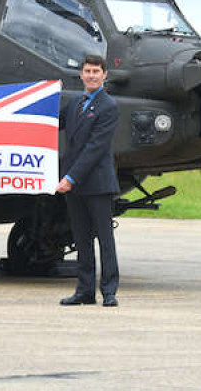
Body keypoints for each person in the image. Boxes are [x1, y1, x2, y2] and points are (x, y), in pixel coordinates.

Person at [56, 54, 121, 307]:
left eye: (96, 71)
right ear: (81, 75)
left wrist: (70, 177)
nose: (91, 75)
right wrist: (47, 95)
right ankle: (84, 290)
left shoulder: (108, 106)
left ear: (105, 75)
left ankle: (109, 290)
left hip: (97, 184)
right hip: (74, 184)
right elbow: (52, 120)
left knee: (104, 239)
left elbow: (95, 148)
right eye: (87, 71)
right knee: (81, 238)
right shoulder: (75, 104)